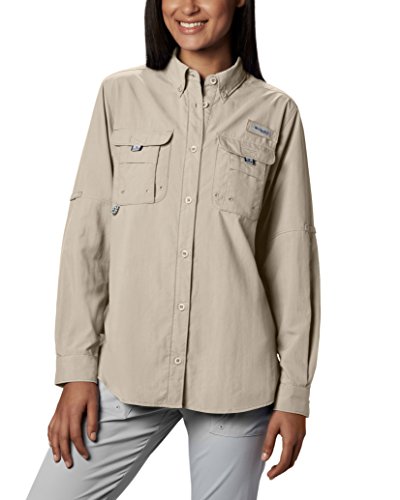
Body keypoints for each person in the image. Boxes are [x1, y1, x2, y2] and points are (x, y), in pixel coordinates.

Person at [26, 0, 321, 498]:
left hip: (235, 378)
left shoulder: (276, 112)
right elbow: (87, 240)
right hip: (128, 370)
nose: (187, 7)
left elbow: (290, 255)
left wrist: (294, 394)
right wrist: (76, 371)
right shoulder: (119, 96)